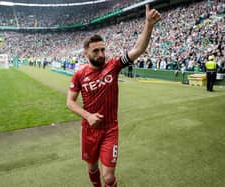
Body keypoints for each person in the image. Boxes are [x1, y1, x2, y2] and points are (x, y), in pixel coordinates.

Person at [66, 5, 161, 187]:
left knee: (108, 177)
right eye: (96, 51)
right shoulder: (79, 75)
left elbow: (138, 49)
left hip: (110, 129)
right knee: (92, 169)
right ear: (86, 53)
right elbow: (70, 102)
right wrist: (88, 116)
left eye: (103, 49)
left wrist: (148, 24)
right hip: (89, 130)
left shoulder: (113, 65)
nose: (101, 54)